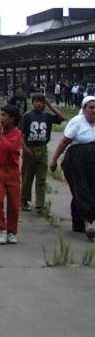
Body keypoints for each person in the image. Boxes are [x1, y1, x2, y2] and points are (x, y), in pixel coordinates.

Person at [50, 96, 95, 239]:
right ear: (83, 109)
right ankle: (89, 223)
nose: (94, 110)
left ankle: (78, 223)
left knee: (90, 190)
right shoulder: (77, 122)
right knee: (81, 189)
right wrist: (54, 159)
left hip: (93, 161)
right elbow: (64, 141)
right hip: (77, 161)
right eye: (91, 107)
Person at [19, 94, 65, 213]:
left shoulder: (47, 116)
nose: (39, 104)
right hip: (30, 148)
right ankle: (24, 200)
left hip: (42, 148)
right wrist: (25, 149)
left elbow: (61, 118)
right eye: (36, 101)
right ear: (32, 103)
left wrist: (51, 106)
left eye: (41, 102)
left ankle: (40, 204)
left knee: (41, 178)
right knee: (27, 177)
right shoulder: (27, 116)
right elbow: (20, 134)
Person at [0, 104, 24, 244]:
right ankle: (1, 229)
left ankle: (11, 231)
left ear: (12, 119)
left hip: (12, 171)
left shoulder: (17, 134)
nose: (1, 119)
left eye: (4, 116)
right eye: (1, 115)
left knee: (14, 204)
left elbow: (8, 147)